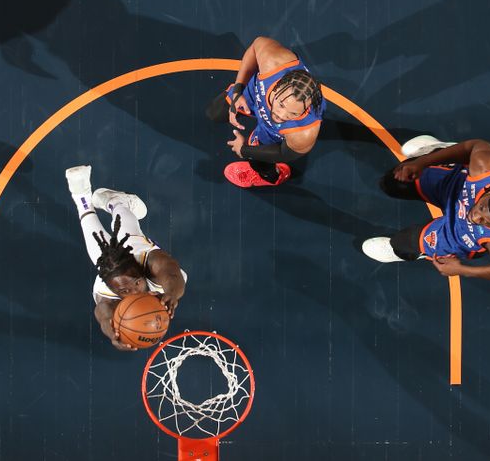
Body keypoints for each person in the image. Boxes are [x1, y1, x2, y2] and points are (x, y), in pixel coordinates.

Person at [362, 136, 490, 281]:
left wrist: (463, 271)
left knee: (402, 244)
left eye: (485, 221)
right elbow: (470, 147)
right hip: (455, 186)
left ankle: (416, 251)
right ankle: (440, 150)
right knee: (392, 182)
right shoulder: (486, 166)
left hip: (462, 235)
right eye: (481, 208)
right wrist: (422, 162)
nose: (474, 216)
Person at [65, 165, 187, 350]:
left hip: (132, 242)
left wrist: (171, 294)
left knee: (122, 220)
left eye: (136, 283)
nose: (134, 292)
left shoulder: (153, 262)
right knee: (96, 244)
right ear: (112, 287)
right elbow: (103, 312)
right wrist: (110, 330)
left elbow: (172, 275)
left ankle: (115, 201)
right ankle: (82, 197)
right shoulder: (106, 287)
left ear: (140, 271)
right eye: (124, 291)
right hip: (112, 265)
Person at [206, 36, 326, 188]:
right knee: (215, 113)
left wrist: (244, 150)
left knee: (258, 162)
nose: (282, 116)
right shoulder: (274, 62)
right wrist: (238, 91)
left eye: (293, 114)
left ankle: (274, 176)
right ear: (276, 88)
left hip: (274, 131)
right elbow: (255, 47)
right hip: (254, 95)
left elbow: (284, 153)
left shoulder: (304, 132)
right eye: (282, 105)